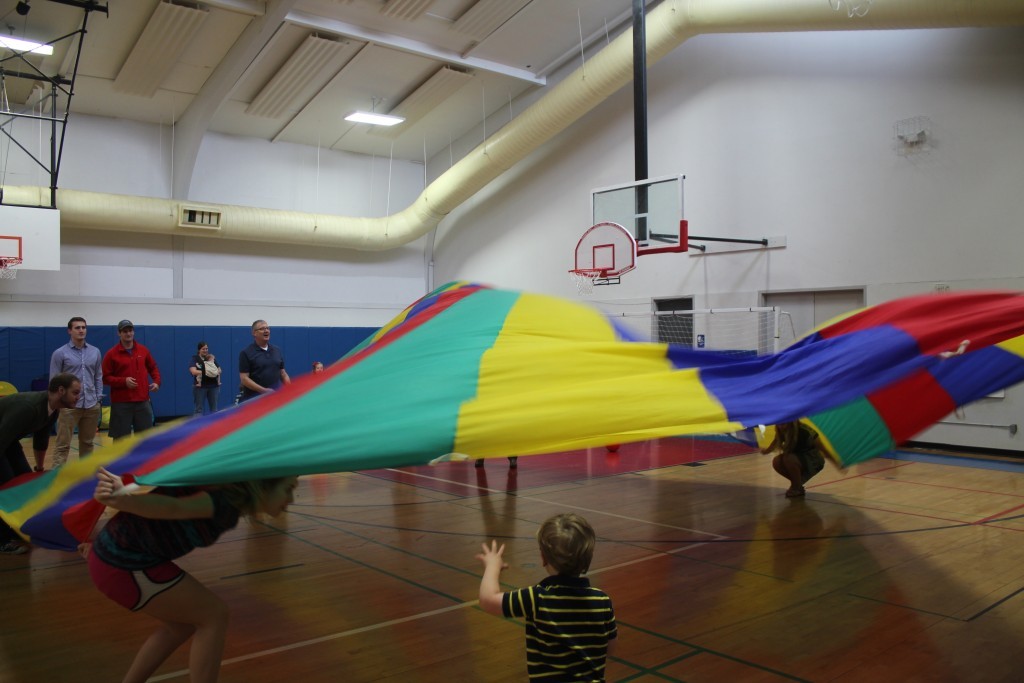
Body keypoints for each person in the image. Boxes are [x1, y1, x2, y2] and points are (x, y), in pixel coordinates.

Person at [86, 467, 298, 683]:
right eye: (288, 489)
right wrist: (123, 500)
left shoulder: (226, 491)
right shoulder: (225, 501)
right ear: (263, 486)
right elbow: (173, 507)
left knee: (180, 627)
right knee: (214, 615)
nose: (291, 499)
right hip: (122, 563)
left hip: (115, 557)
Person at [476, 512, 617, 681]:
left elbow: (487, 600)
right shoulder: (601, 601)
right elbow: (610, 648)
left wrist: (492, 566)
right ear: (587, 558)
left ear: (543, 558)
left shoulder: (537, 598)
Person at [0, 373, 82, 554]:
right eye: (75, 393)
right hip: (2, 440)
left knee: (25, 483)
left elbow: (41, 440)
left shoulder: (52, 409)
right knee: (7, 488)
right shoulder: (29, 407)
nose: (78, 397)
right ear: (61, 391)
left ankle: (19, 529)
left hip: (8, 440)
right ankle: (4, 540)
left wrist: (38, 469)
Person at [47, 316, 104, 471]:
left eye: (83, 327)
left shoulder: (95, 352)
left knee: (87, 443)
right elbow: (54, 380)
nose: (81, 330)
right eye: (77, 328)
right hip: (69, 407)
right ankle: (56, 477)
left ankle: (86, 475)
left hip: (91, 404)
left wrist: (98, 397)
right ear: (69, 331)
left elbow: (98, 376)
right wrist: (58, 404)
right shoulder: (60, 353)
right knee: (63, 444)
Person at [103, 320, 161, 441]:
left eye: (130, 331)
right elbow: (105, 378)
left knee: (145, 438)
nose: (128, 334)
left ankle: (144, 461)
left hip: (142, 401)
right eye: (125, 331)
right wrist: (123, 381)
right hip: (121, 404)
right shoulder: (111, 354)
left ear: (133, 332)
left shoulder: (143, 350)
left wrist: (156, 382)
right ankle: (122, 460)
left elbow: (153, 367)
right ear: (119, 333)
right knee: (120, 440)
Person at [761, 420, 826, 498]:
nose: (780, 426)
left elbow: (823, 449)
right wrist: (766, 451)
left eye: (783, 423)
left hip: (815, 462)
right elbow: (776, 441)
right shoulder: (783, 431)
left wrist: (837, 464)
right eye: (778, 424)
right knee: (777, 461)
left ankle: (796, 487)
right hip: (800, 460)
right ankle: (797, 486)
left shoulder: (804, 431)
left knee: (788, 458)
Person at [237, 320, 290, 403]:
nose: (266, 330)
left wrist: (290, 389)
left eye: (267, 328)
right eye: (262, 328)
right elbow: (244, 379)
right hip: (255, 401)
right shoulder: (246, 353)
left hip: (275, 398)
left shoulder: (276, 350)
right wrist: (263, 391)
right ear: (254, 333)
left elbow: (283, 373)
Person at [189, 341, 221, 416]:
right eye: (203, 349)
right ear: (199, 350)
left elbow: (219, 370)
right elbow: (193, 371)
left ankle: (214, 426)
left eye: (207, 349)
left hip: (213, 386)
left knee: (214, 409)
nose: (205, 350)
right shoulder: (195, 359)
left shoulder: (211, 358)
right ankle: (198, 426)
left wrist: (211, 372)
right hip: (200, 387)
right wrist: (207, 372)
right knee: (199, 410)